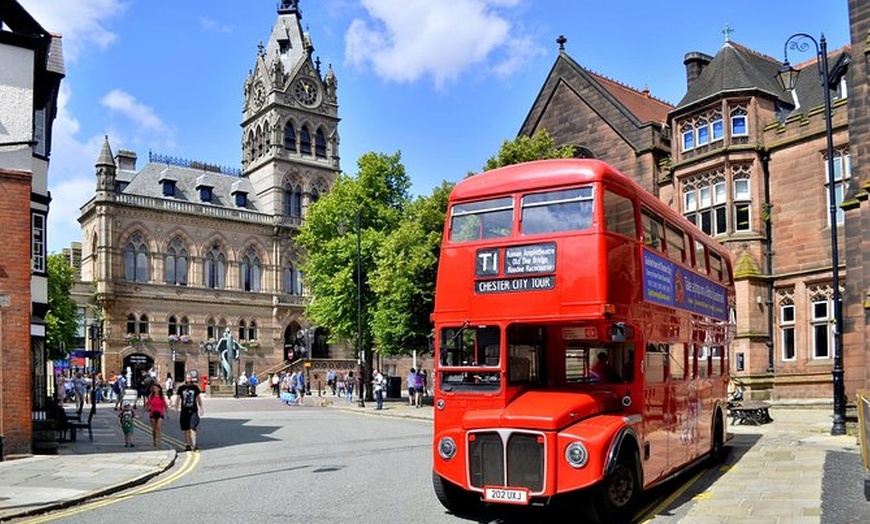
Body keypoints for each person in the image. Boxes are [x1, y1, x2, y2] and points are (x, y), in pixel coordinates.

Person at [175, 371, 204, 451]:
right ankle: (188, 444)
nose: (189, 379)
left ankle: (194, 445)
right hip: (184, 411)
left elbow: (198, 398)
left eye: (190, 378)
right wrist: (176, 408)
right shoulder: (181, 388)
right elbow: (178, 399)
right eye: (188, 378)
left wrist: (201, 408)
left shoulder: (195, 388)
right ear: (185, 379)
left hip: (193, 410)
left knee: (192, 427)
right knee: (186, 429)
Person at [144, 382, 169, 447]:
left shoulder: (162, 396)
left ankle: (159, 442)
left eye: (156, 388)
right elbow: (147, 404)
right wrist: (143, 412)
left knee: (159, 428)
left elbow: (165, 405)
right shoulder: (151, 396)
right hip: (153, 413)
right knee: (154, 429)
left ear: (159, 389)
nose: (155, 389)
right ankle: (154, 441)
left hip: (160, 413)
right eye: (154, 388)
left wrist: (167, 414)